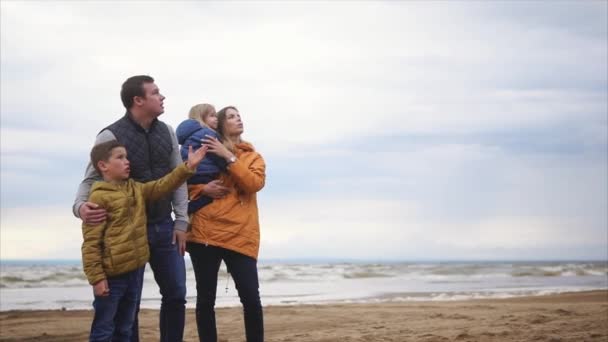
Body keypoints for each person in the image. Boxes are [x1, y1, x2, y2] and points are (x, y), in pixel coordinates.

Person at [73, 75, 206, 341]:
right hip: (129, 230)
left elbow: (176, 177)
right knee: (128, 305)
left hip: (165, 227)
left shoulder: (166, 131)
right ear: (138, 100)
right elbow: (90, 179)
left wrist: (181, 220)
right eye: (156, 93)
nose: (162, 97)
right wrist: (80, 208)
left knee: (176, 294)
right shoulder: (110, 135)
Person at [82, 140, 207, 342]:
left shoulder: (135, 188)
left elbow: (161, 186)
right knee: (104, 330)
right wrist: (96, 278)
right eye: (120, 158)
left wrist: (188, 167)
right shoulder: (98, 198)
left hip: (134, 272)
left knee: (125, 327)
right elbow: (90, 243)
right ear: (103, 166)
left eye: (126, 157)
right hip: (112, 277)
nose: (127, 161)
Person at [186, 106, 266, 342]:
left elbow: (252, 184)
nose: (238, 118)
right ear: (220, 125)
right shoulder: (205, 151)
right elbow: (185, 185)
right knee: (205, 299)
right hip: (205, 233)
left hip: (240, 234)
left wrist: (228, 156)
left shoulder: (253, 156)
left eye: (239, 114)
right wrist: (204, 189)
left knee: (251, 298)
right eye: (231, 116)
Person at [175, 104, 227, 215]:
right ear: (201, 118)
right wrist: (226, 166)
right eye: (212, 116)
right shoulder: (208, 134)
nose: (216, 119)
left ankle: (187, 211)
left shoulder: (190, 135)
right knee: (210, 196)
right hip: (204, 172)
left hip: (191, 172)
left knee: (199, 195)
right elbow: (216, 154)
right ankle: (189, 210)